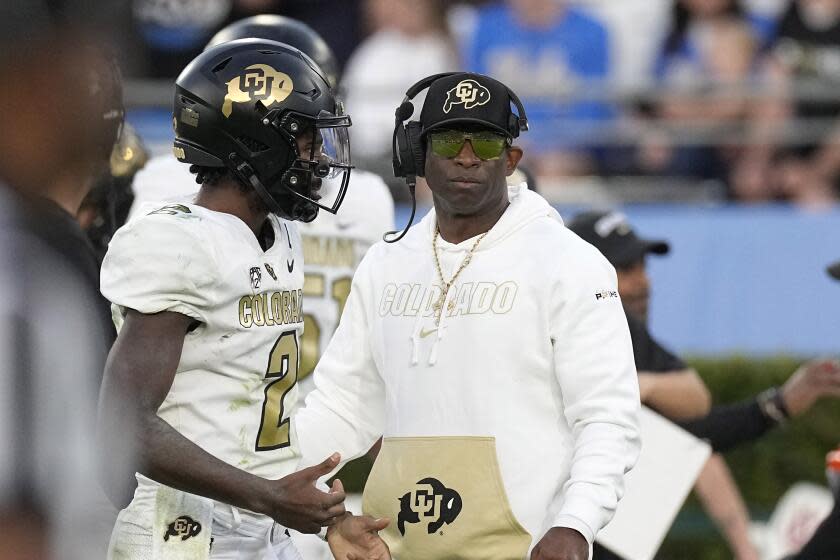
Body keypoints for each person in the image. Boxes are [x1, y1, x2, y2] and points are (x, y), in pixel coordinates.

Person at [294, 72, 642, 559]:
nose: (466, 155)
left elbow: (608, 416)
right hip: (396, 550)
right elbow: (343, 406)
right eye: (448, 138)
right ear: (419, 154)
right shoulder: (385, 263)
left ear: (511, 159)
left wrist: (575, 524)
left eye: (484, 140)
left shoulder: (571, 263)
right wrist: (268, 486)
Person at [98, 39, 388, 559]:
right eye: (305, 139)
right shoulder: (178, 240)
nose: (319, 158)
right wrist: (270, 498)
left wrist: (325, 521)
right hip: (180, 534)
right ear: (254, 142)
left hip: (258, 528)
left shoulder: (278, 234)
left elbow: (253, 424)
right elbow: (123, 420)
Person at [567, 210, 840, 560]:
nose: (643, 282)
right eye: (626, 269)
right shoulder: (589, 321)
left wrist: (642, 387)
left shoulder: (623, 331)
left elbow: (693, 413)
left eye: (642, 267)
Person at [463, 0, 615, 178]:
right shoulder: (486, 27)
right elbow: (477, 100)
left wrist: (554, 149)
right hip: (500, 145)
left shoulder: (591, 31)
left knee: (554, 173)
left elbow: (594, 105)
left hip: (569, 152)